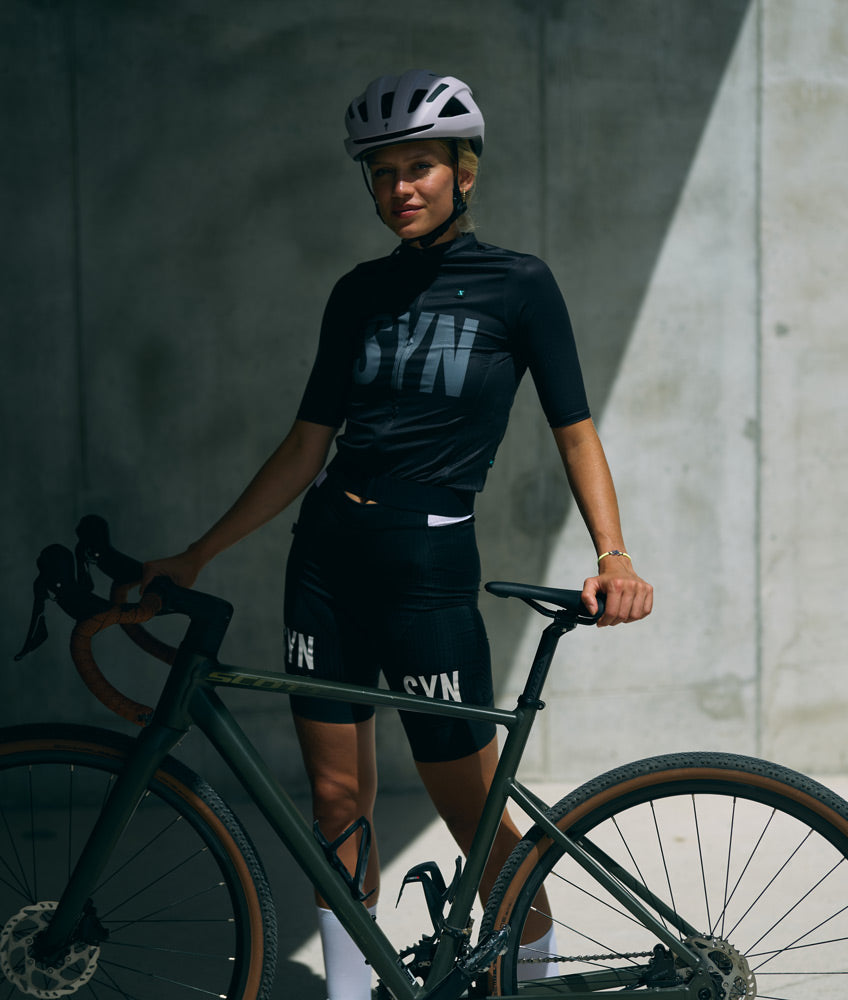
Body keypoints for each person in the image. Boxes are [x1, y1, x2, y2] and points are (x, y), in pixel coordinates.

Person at [143, 69, 653, 1000]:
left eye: (420, 167)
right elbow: (306, 445)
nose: (400, 188)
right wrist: (198, 554)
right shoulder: (356, 293)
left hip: (428, 570)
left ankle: (531, 983)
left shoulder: (519, 286)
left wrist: (612, 554)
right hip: (325, 561)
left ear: (465, 173)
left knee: (474, 819)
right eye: (383, 173)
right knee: (335, 805)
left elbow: (575, 431)